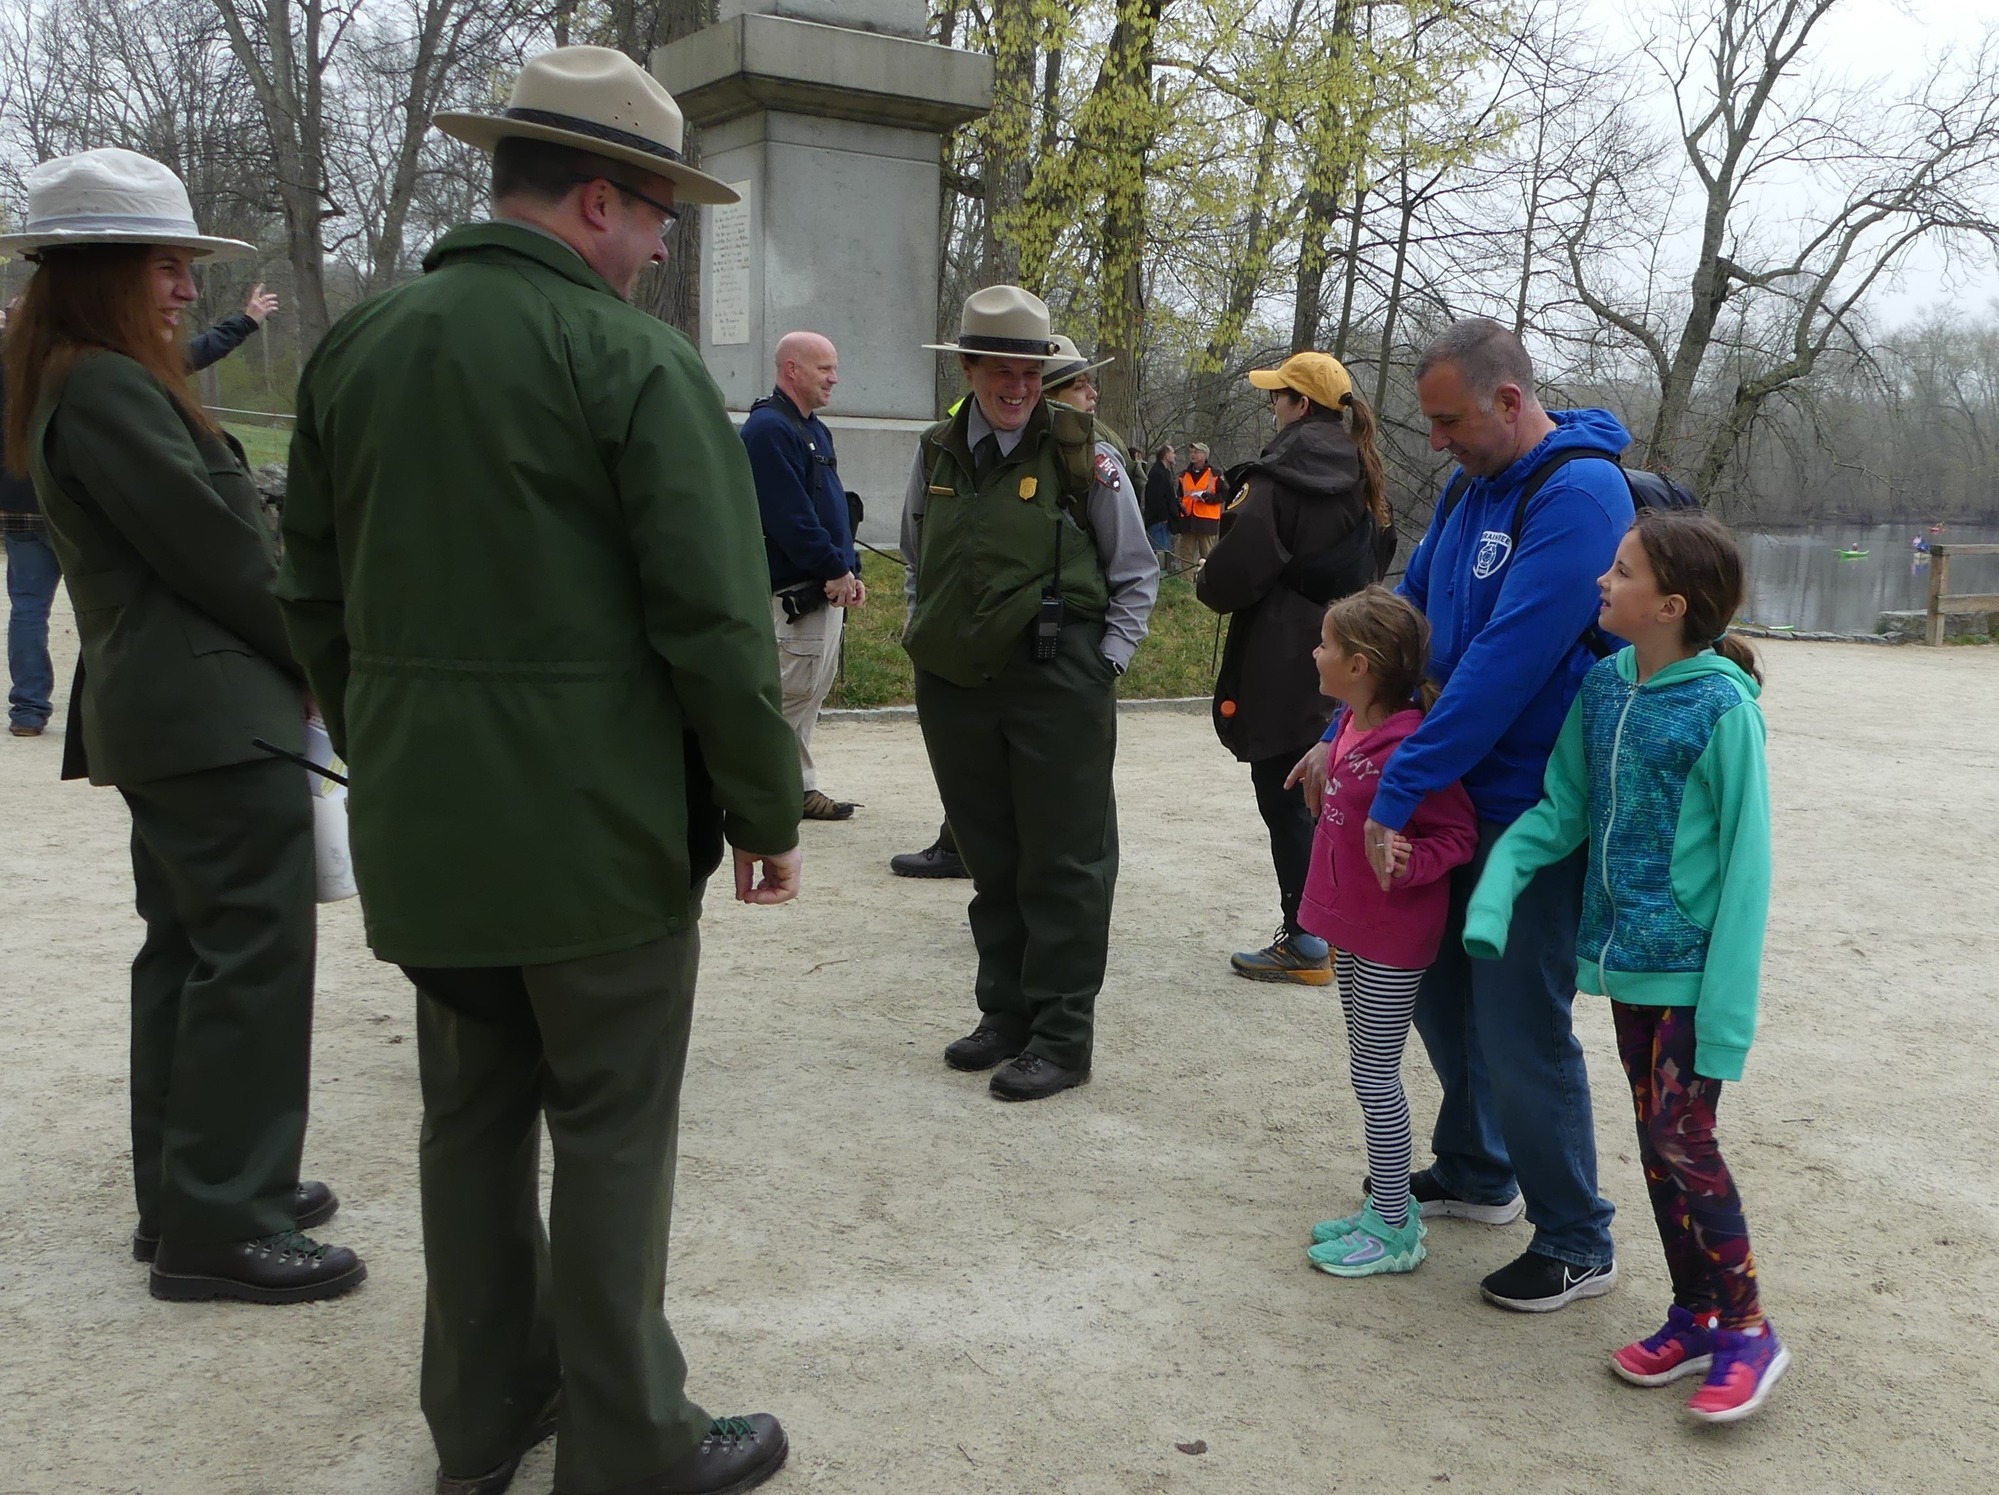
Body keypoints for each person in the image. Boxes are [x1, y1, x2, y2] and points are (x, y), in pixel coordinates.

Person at [275, 47, 798, 1495]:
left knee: (470, 1122)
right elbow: (709, 620)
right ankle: (628, 1437)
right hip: (597, 836)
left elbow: (308, 594)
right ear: (590, 202)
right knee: (614, 1129)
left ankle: (482, 1416)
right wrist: (761, 805)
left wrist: (387, 743)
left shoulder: (357, 350)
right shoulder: (633, 363)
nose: (659, 242)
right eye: (653, 215)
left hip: (428, 832)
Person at [1, 147, 359, 1298]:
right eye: (164, 266)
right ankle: (222, 1215)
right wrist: (318, 663)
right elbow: (213, 549)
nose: (184, 290)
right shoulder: (104, 382)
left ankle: (196, 1183)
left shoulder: (77, 374)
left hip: (172, 710)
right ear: (99, 272)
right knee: (251, 955)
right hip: (211, 711)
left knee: (193, 952)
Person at [1289, 316, 1633, 1312]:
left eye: (1448, 420)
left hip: (1528, 811)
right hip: (1452, 799)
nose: (1434, 439)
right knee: (1437, 996)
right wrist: (1342, 727)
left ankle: (1575, 1235)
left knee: (1521, 1025)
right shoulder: (1467, 486)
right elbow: (1410, 628)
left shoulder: (1578, 494)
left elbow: (1499, 669)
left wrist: (1392, 791)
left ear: (1510, 400)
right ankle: (1476, 1167)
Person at [1465, 509, 1784, 1421]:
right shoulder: (1603, 686)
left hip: (1690, 976)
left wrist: (1725, 1017)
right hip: (1624, 968)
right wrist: (1497, 893)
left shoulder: (1723, 710)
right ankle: (1693, 1315)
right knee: (1654, 1146)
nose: (1602, 582)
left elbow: (1748, 873)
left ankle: (1749, 1329)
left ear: (1669, 605)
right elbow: (1561, 807)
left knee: (1686, 1138)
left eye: (1621, 571)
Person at [903, 285, 1157, 1101]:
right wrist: (926, 632)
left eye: (1028, 371)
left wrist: (1102, 664)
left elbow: (1135, 571)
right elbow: (916, 555)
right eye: (999, 370)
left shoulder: (1086, 453)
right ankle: (1004, 1013)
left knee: (1067, 860)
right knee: (992, 855)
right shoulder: (936, 450)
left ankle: (1061, 1035)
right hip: (954, 684)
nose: (1014, 386)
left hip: (1058, 681)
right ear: (970, 368)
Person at [2, 283, 281, 740]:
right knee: (100, 604)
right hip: (72, 500)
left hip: (17, 502)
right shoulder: (92, 368)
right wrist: (246, 321)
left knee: (29, 608)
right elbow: (186, 356)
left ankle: (28, 710)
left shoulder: (19, 365)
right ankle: (103, 707)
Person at [1200, 351, 1395, 985]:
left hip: (1285, 655)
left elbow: (1236, 572)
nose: (1273, 407)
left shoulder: (1279, 478)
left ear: (1300, 405)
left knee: (1285, 795)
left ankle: (1309, 939)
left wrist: (1209, 578)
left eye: (1278, 397)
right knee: (1327, 794)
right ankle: (1335, 929)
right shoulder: (1363, 473)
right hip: (1348, 650)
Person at [1298, 587, 1476, 1276]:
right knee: (1365, 1069)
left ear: (1361, 664)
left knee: (1374, 1077)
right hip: (1353, 927)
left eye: (1325, 644)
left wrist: (1410, 863)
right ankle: (1385, 1210)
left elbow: (1456, 833)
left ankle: (1395, 1226)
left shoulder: (1413, 747)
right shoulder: (1347, 723)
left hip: (1392, 934)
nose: (1315, 652)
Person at [744, 329, 864, 821]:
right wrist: (833, 567)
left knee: (810, 691)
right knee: (789, 694)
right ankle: (769, 794)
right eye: (824, 368)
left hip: (823, 589)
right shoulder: (768, 431)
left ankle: (795, 787)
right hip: (793, 595)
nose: (834, 378)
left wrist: (849, 570)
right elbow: (790, 518)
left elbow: (830, 507)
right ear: (791, 369)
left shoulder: (811, 428)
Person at [1174, 442, 1223, 568]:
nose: (1192, 454)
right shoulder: (1183, 475)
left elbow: (1225, 495)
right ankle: (1185, 584)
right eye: (1192, 452)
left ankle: (1206, 583)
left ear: (1204, 455)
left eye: (1196, 452)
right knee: (1185, 555)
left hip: (1206, 521)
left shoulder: (1215, 474)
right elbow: (1179, 496)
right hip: (1187, 520)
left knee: (1207, 556)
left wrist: (1210, 498)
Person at [1143, 441, 1179, 564]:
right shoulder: (1157, 473)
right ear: (1166, 455)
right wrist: (1163, 516)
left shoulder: (1165, 472)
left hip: (1164, 522)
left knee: (1165, 554)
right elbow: (1156, 498)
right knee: (1160, 554)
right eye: (1173, 453)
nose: (1175, 456)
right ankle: (1159, 578)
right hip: (1158, 522)